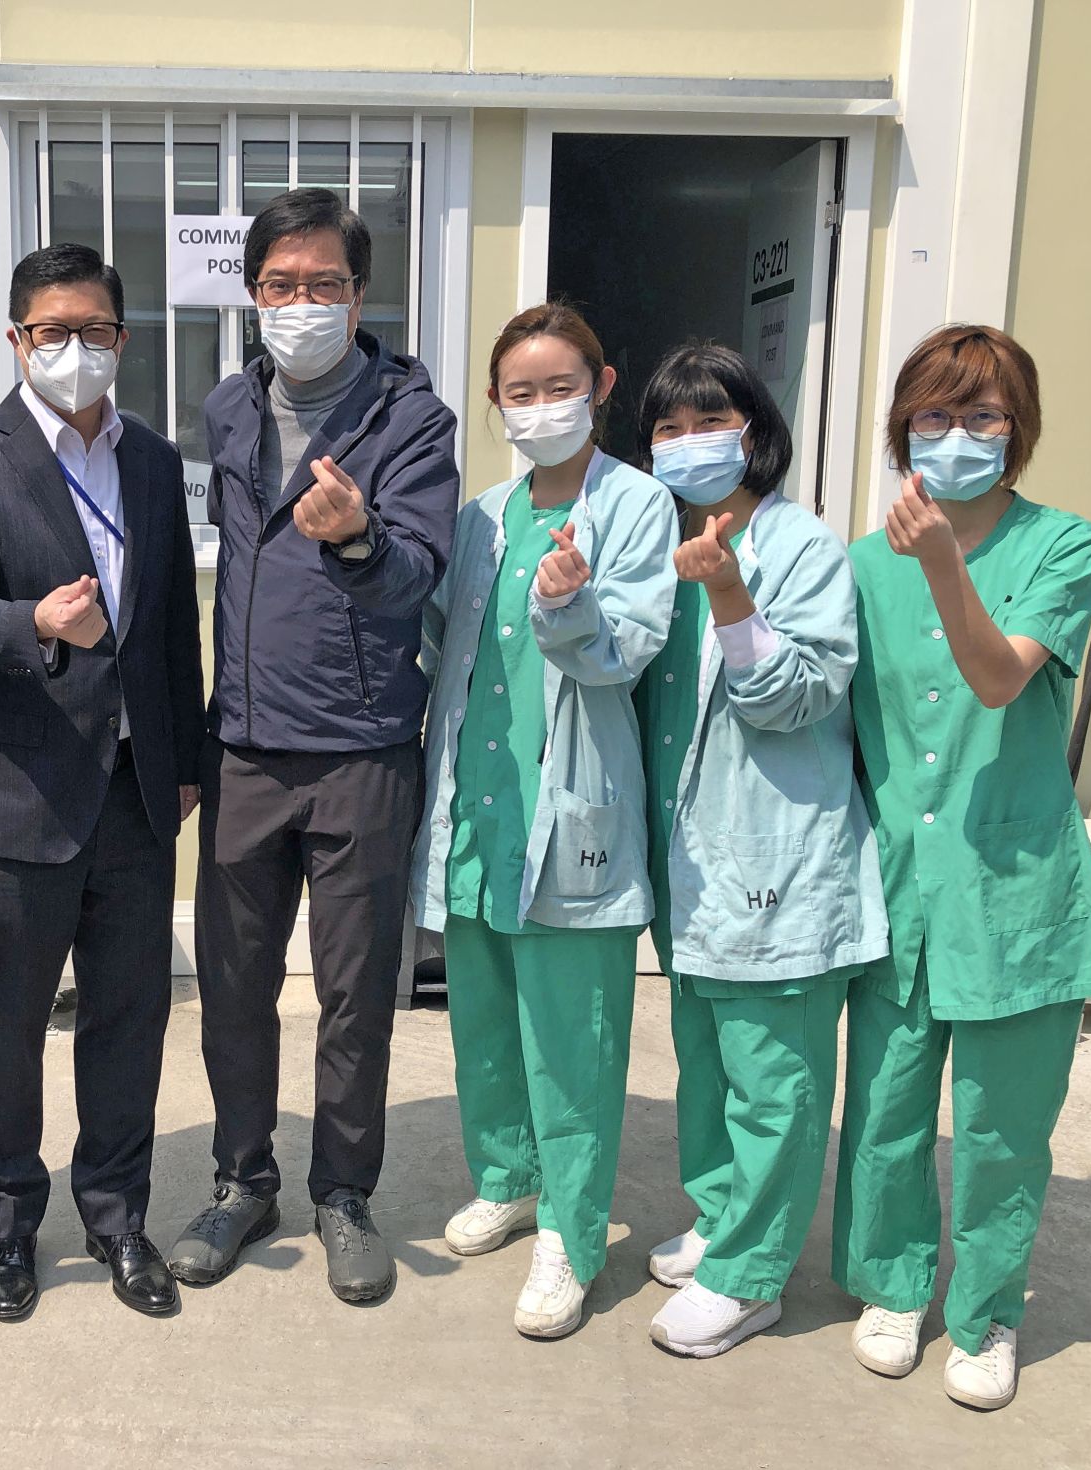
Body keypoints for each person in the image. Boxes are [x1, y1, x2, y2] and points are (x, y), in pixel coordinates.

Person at [170, 187, 459, 1305]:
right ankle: (243, 1183)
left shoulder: (409, 422)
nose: (301, 304)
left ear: (358, 294)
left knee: (351, 997)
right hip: (244, 748)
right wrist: (203, 738)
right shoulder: (226, 411)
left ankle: (343, 1193)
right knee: (233, 988)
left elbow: (414, 579)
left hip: (360, 752)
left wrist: (358, 538)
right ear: (251, 295)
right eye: (281, 285)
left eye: (324, 285)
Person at [834, 324, 1091, 1411]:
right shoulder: (860, 561)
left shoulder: (1063, 545)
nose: (954, 437)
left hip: (1013, 886)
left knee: (1002, 1127)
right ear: (900, 430)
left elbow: (1000, 678)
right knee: (886, 1109)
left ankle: (987, 1310)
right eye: (932, 416)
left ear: (1018, 430)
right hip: (896, 882)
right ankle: (894, 1284)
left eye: (981, 416)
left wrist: (946, 565)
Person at [0, 244, 205, 1322]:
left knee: (129, 1018)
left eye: (94, 331)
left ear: (122, 340)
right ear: (16, 340)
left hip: (133, 794)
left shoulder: (155, 462)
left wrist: (184, 764)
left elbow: (172, 626)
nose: (73, 350)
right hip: (16, 793)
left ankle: (118, 1216)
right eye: (51, 331)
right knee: (9, 1021)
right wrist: (35, 621)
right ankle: (4, 1222)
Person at [413, 303, 675, 1339]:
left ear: (601, 387)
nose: (537, 408)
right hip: (479, 811)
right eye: (517, 393)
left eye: (557, 386)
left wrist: (568, 605)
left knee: (571, 1039)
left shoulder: (638, 507)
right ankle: (508, 1177)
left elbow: (627, 654)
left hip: (571, 817)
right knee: (479, 1020)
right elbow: (444, 639)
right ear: (493, 404)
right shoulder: (480, 514)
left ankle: (570, 1230)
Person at [628, 343, 888, 1358]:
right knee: (706, 1062)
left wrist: (731, 597)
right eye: (666, 426)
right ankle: (719, 1215)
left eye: (710, 420)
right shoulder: (659, 545)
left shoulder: (803, 547)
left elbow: (799, 698)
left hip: (778, 859)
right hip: (691, 867)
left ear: (757, 431)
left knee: (774, 1078)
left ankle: (752, 1274)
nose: (689, 443)